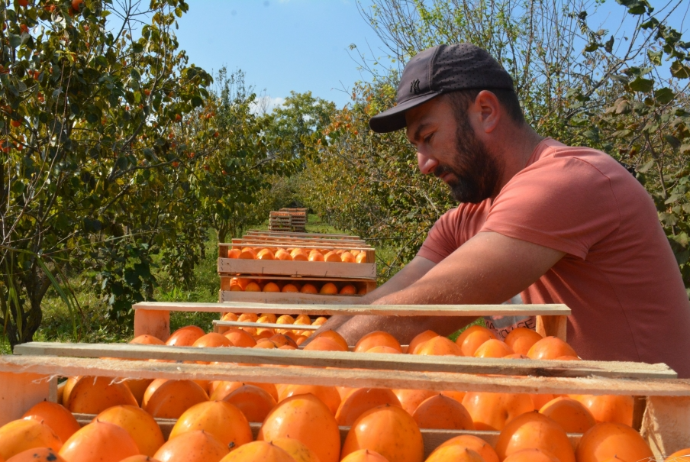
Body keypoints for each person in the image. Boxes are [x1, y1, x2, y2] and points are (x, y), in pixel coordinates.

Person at [314, 43, 690, 377]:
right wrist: (306, 347)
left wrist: (304, 368)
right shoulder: (464, 222)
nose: (423, 164)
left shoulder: (569, 181)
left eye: (428, 138)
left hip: (654, 438)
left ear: (487, 111)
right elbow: (385, 302)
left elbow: (422, 309)